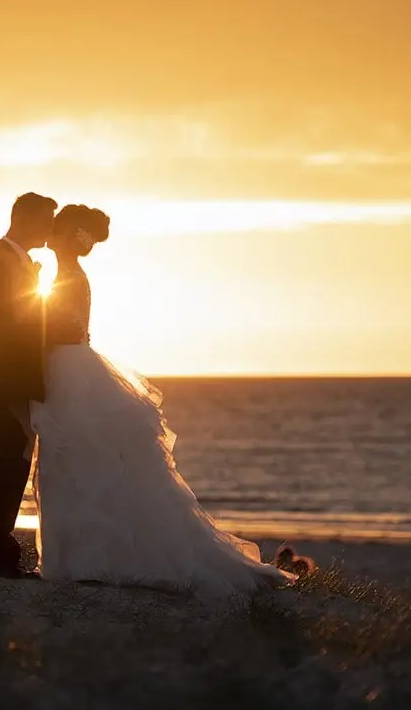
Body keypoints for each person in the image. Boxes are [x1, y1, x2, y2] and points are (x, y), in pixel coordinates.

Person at [28, 204, 296, 595]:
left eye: (58, 227)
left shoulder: (69, 277)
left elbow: (62, 329)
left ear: (70, 237)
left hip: (70, 373)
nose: (50, 231)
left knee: (77, 464)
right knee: (72, 464)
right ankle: (75, 558)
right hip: (69, 370)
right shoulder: (65, 275)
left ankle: (86, 559)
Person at [0, 192, 82, 578]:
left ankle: (2, 553)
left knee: (13, 465)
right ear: (27, 220)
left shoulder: (14, 263)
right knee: (5, 464)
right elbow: (2, 325)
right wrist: (55, 329)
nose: (51, 229)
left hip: (17, 381)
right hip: (4, 382)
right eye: (47, 221)